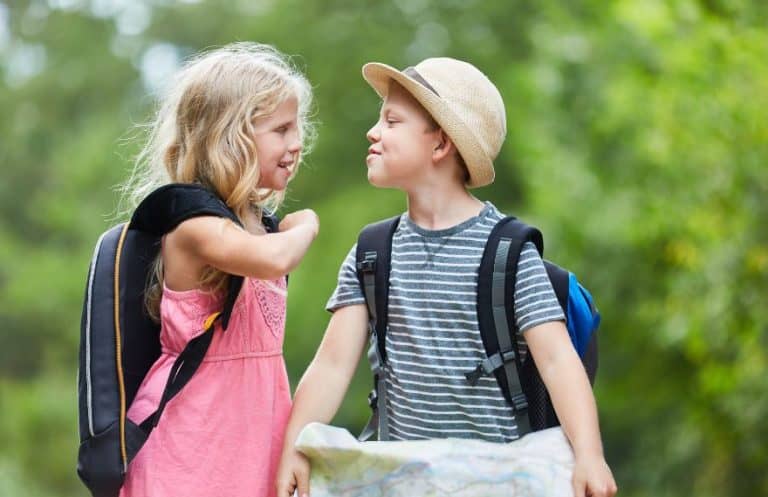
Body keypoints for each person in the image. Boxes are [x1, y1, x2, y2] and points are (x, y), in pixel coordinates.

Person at [276, 57, 617, 497]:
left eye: (392, 121)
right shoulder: (372, 253)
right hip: (401, 482)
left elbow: (557, 361)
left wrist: (589, 456)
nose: (373, 132)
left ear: (440, 145)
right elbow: (331, 366)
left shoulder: (509, 254)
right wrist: (293, 448)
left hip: (494, 482)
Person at [119, 42, 319, 497]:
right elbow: (273, 259)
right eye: (281, 129)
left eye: (297, 127)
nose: (297, 142)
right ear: (232, 135)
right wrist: (308, 224)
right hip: (188, 447)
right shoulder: (192, 224)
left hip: (251, 442)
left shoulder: (258, 224)